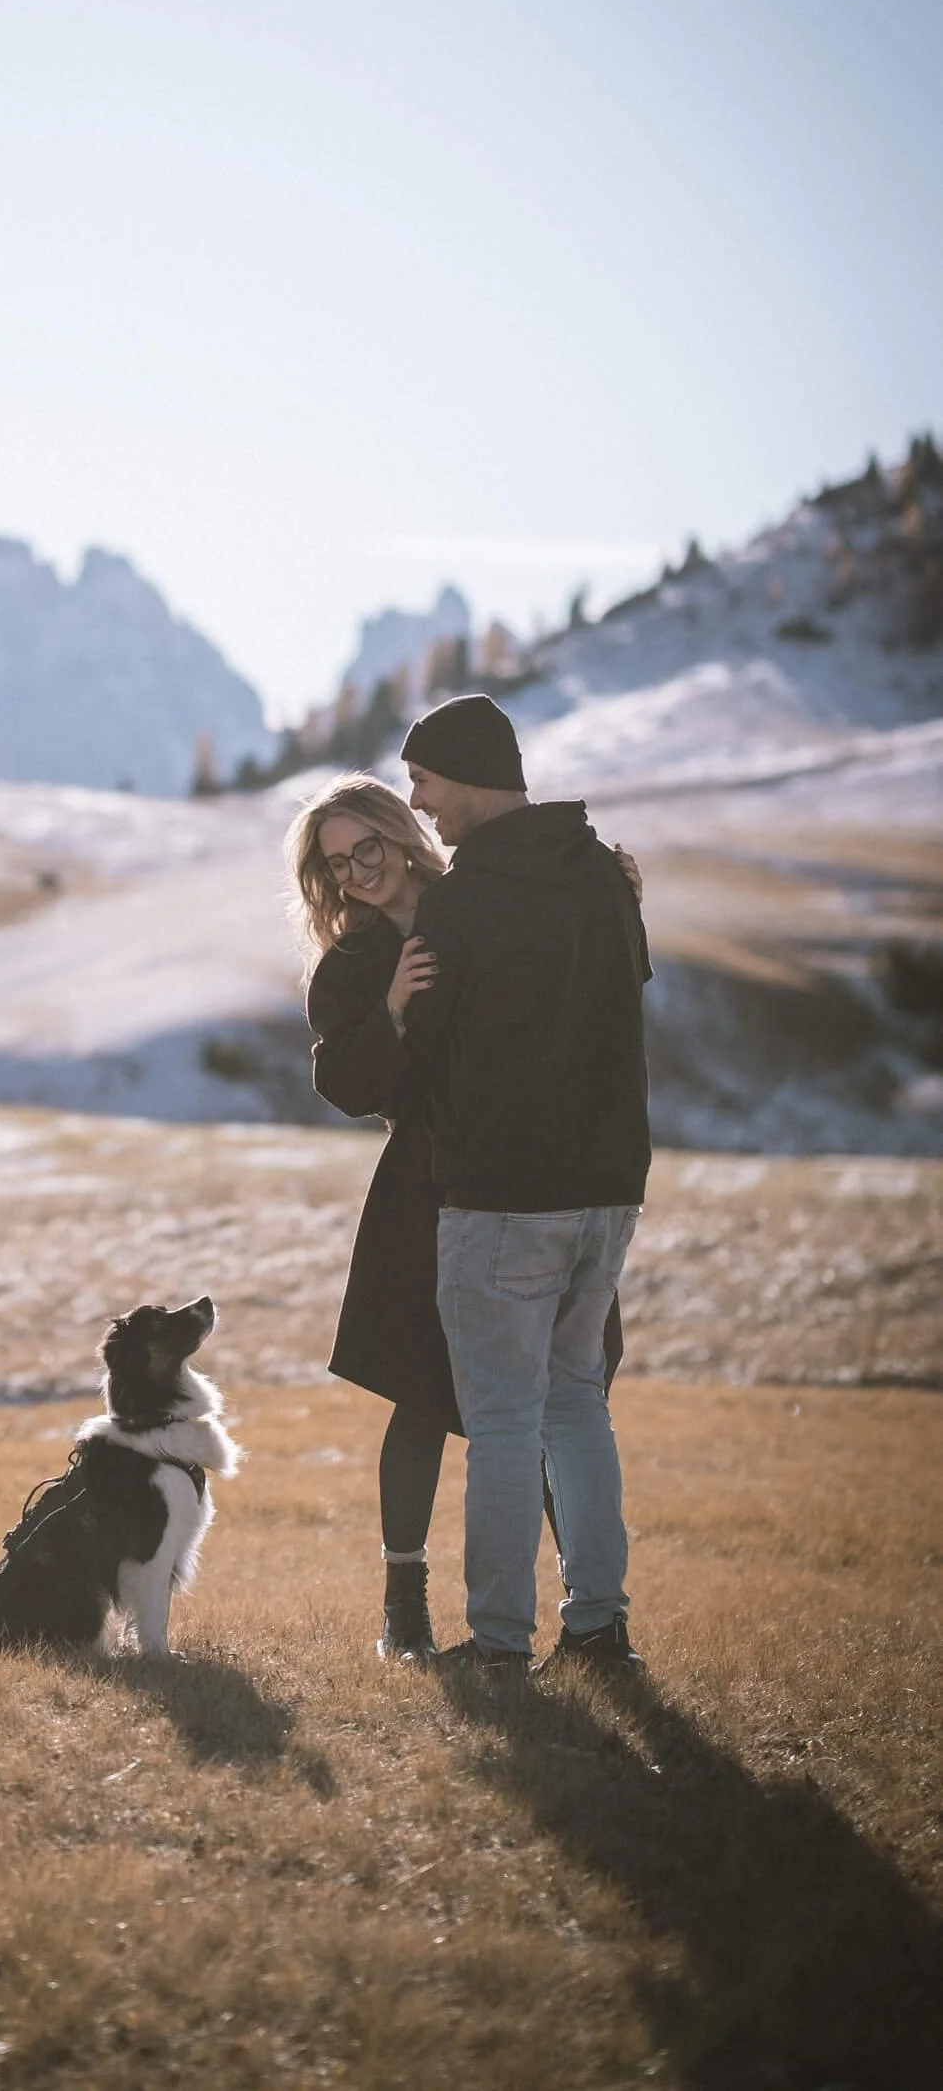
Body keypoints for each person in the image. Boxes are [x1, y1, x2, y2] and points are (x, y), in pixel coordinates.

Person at [287, 773, 632, 1662]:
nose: (358, 871)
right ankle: (406, 1610)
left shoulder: (482, 898)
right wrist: (395, 1008)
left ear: (401, 834)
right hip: (423, 1193)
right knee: (421, 1397)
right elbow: (353, 1087)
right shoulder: (351, 967)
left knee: (550, 1401)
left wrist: (613, 887)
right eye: (336, 865)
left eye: (366, 847)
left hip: (528, 1175)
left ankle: (587, 1618)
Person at [397, 693, 652, 1679]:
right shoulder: (599, 875)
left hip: (503, 1196)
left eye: (421, 781)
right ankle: (594, 1625)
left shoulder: (461, 900)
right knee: (574, 1403)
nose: (416, 803)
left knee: (502, 1415)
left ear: (462, 774)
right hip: (605, 1191)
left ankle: (498, 1642)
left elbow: (417, 1044)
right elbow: (630, 984)